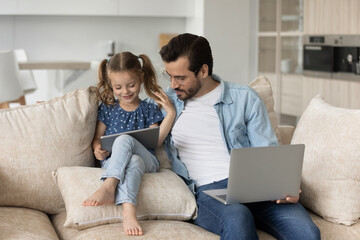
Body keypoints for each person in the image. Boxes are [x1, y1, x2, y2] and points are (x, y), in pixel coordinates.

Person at [158, 33, 320, 240]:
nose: (173, 85)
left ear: (204, 71)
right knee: (238, 218)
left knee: (307, 233)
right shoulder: (165, 103)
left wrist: (285, 186)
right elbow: (133, 130)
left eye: (181, 78)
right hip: (208, 191)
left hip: (255, 186)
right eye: (169, 75)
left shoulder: (244, 98)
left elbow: (267, 152)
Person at [82, 52, 175, 236]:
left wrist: (170, 114)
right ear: (111, 85)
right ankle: (129, 213)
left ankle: (109, 186)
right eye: (118, 87)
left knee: (124, 139)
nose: (125, 92)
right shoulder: (108, 109)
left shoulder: (148, 108)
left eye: (131, 85)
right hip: (115, 162)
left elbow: (156, 140)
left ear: (141, 78)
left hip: (149, 161)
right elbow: (97, 138)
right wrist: (96, 149)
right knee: (133, 161)